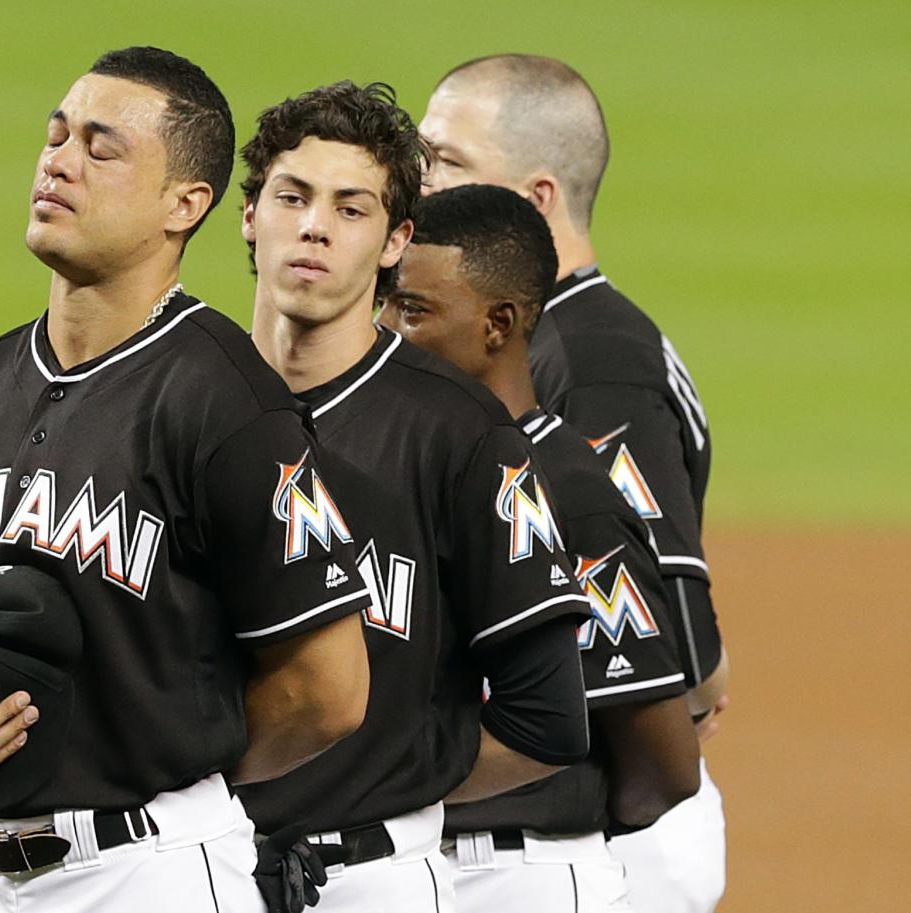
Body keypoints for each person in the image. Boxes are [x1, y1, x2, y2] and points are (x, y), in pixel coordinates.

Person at [0, 46, 375, 913]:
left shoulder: (230, 403)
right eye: (56, 135)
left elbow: (330, 689)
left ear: (187, 203)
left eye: (101, 148)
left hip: (144, 873)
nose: (58, 159)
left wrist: (163, 777)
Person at [237, 81, 592, 913]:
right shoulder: (175, 397)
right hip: (181, 868)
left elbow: (548, 720)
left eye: (351, 208)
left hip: (369, 879)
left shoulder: (460, 433)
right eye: (292, 196)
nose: (315, 225)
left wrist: (374, 786)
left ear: (397, 238)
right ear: (250, 213)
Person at [420, 54, 729, 913]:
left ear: (538, 199)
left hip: (616, 835)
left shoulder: (589, 361)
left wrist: (689, 685)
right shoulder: (565, 335)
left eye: (446, 159)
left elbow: (679, 638)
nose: (420, 180)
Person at [378, 182, 701, 912]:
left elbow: (666, 763)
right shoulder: (406, 461)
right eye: (386, 303)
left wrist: (562, 829)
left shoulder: (567, 488)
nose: (386, 329)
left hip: (515, 880)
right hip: (402, 871)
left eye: (414, 309)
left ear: (498, 323)